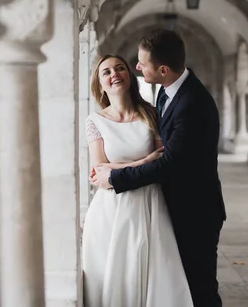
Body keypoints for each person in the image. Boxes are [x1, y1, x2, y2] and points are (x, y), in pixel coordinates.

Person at [92, 29, 227, 307]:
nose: (137, 67)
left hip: (194, 211)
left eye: (141, 64)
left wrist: (117, 177)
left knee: (198, 288)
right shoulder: (168, 93)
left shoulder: (191, 103)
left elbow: (168, 162)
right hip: (166, 206)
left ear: (163, 69)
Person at [82, 53, 194, 307]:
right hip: (110, 209)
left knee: (153, 274)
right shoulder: (95, 121)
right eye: (106, 72)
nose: (114, 74)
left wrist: (117, 168)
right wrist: (141, 162)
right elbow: (98, 169)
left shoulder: (151, 114)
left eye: (120, 68)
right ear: (99, 84)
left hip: (149, 203)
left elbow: (163, 160)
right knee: (113, 278)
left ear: (130, 76)